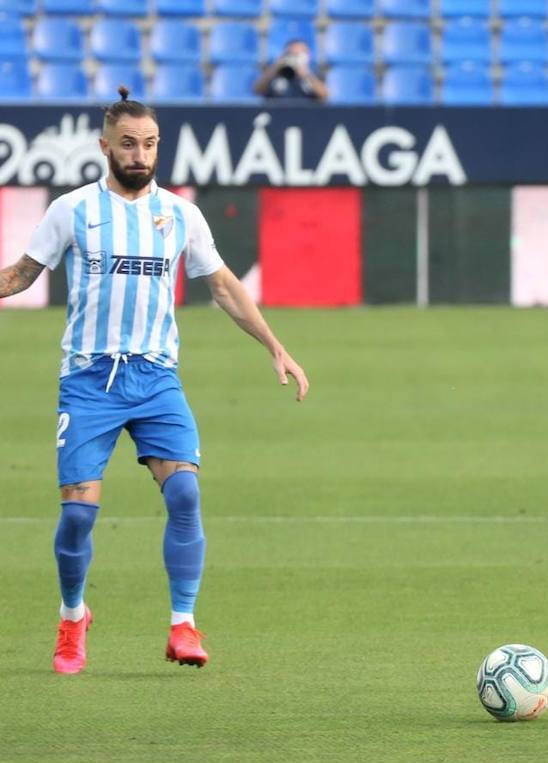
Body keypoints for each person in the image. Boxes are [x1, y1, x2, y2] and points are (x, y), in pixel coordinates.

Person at [0, 89, 310, 674]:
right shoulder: (72, 210)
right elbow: (21, 273)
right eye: (128, 145)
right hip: (90, 378)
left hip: (155, 377)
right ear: (104, 147)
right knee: (77, 517)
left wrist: (275, 346)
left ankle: (183, 625)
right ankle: (72, 618)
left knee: (186, 493)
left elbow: (222, 285)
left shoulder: (181, 215)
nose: (139, 155)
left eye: (148, 145)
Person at [254, 39, 330, 102]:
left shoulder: (315, 74)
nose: (294, 58)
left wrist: (306, 74)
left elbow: (324, 95)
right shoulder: (275, 73)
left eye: (298, 55)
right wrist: (276, 67)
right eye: (291, 54)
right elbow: (257, 90)